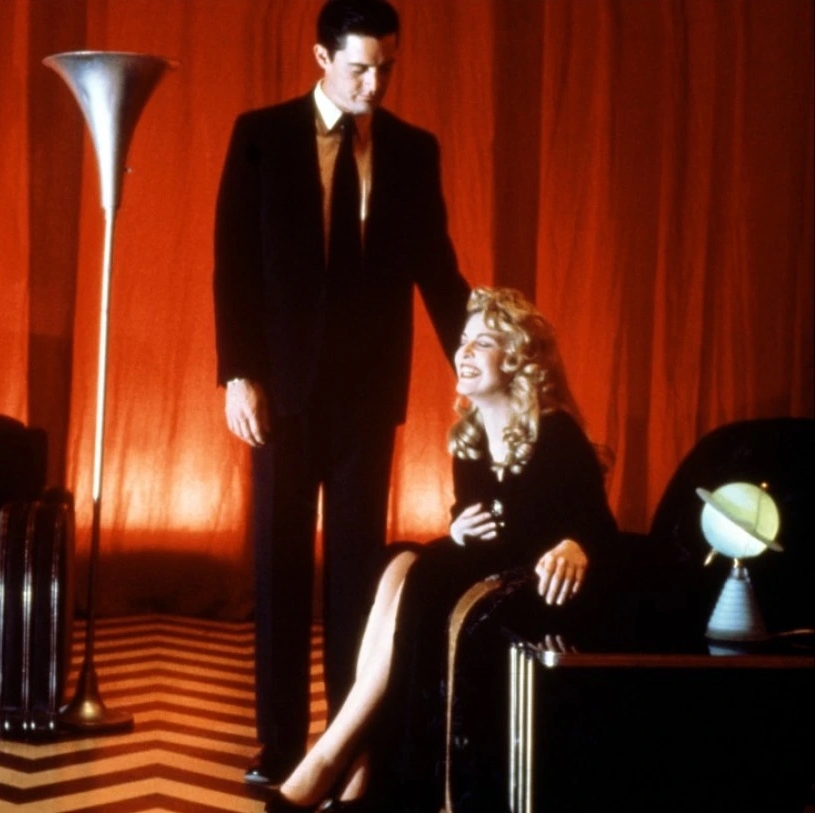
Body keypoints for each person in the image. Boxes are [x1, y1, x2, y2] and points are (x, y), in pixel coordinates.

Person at [214, 0, 471, 787]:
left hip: (367, 396)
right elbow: (233, 265)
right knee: (281, 571)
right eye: (360, 67)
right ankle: (279, 746)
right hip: (283, 393)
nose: (374, 84)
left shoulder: (413, 150)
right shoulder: (260, 134)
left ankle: (345, 743)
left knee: (359, 577)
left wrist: (483, 361)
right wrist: (238, 374)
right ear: (322, 58)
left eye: (386, 68)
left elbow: (439, 271)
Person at [266, 286, 619, 812]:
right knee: (397, 561)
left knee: (426, 574)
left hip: (537, 585)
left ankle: (331, 760)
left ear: (519, 361)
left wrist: (574, 543)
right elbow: (470, 516)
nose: (465, 352)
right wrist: (457, 531)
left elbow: (596, 525)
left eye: (484, 343)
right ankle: (360, 765)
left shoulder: (557, 433)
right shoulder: (469, 439)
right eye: (464, 341)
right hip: (492, 569)